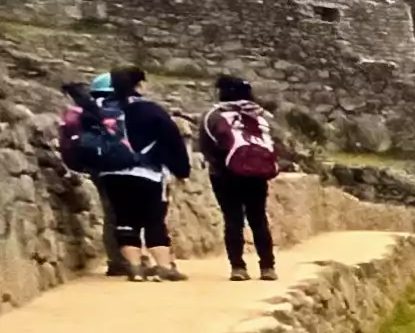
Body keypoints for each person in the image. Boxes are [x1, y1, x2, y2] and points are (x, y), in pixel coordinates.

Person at [86, 69, 195, 281]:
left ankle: (134, 268)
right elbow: (171, 140)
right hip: (147, 172)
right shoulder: (150, 110)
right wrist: (182, 169)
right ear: (139, 85)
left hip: (111, 173)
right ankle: (164, 267)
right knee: (154, 219)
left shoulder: (103, 111)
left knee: (125, 220)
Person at [200, 76, 281, 282]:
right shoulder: (261, 116)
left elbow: (206, 144)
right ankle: (267, 267)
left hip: (224, 175)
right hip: (256, 176)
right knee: (258, 219)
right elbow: (276, 144)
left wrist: (220, 163)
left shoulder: (214, 115)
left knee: (233, 219)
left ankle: (238, 267)